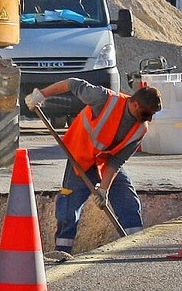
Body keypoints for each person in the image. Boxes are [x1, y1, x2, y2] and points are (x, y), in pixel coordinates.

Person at [25, 79, 162, 254]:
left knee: (128, 202)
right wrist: (41, 95)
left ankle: (134, 248)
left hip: (104, 162)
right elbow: (72, 83)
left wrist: (104, 189)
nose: (149, 118)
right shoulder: (104, 99)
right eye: (147, 113)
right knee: (69, 209)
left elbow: (117, 161)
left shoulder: (140, 129)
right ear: (135, 104)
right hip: (80, 158)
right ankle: (61, 253)